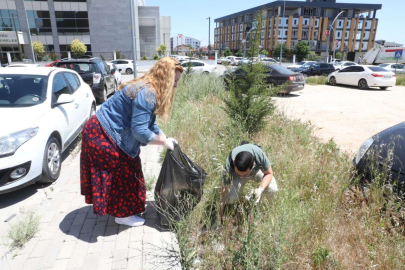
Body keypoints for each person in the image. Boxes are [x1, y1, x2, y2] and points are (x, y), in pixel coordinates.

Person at [80, 57, 184, 227]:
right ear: (165, 77)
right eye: (174, 81)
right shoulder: (148, 92)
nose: (175, 86)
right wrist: (162, 142)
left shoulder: (149, 87)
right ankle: (123, 215)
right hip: (101, 134)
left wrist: (163, 136)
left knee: (131, 169)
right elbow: (140, 131)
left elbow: (147, 122)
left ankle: (129, 208)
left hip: (103, 131)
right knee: (125, 172)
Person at [220, 143, 278, 214]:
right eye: (239, 173)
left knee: (273, 189)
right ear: (234, 163)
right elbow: (224, 191)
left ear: (253, 164)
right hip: (236, 178)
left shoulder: (258, 155)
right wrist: (220, 212)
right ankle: (241, 203)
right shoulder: (229, 165)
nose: (242, 177)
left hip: (256, 171)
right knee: (230, 198)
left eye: (245, 175)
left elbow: (269, 173)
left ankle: (261, 210)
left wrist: (260, 189)